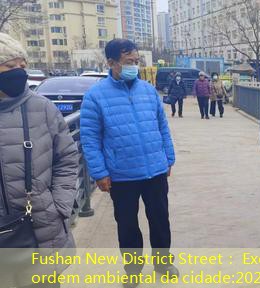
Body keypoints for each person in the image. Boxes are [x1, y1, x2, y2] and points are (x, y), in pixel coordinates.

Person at [80, 39, 178, 287]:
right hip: (121, 175)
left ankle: (163, 262)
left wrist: (168, 157)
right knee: (127, 225)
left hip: (155, 170)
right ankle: (133, 270)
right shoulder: (95, 96)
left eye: (136, 61)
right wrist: (100, 173)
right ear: (111, 63)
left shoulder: (148, 91)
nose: (134, 66)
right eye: (128, 62)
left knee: (160, 219)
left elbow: (162, 127)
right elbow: (90, 139)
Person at [0, 33, 79, 288]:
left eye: (22, 65)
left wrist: (61, 205)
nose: (18, 72)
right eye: (10, 66)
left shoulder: (42, 107)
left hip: (41, 229)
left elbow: (67, 158)